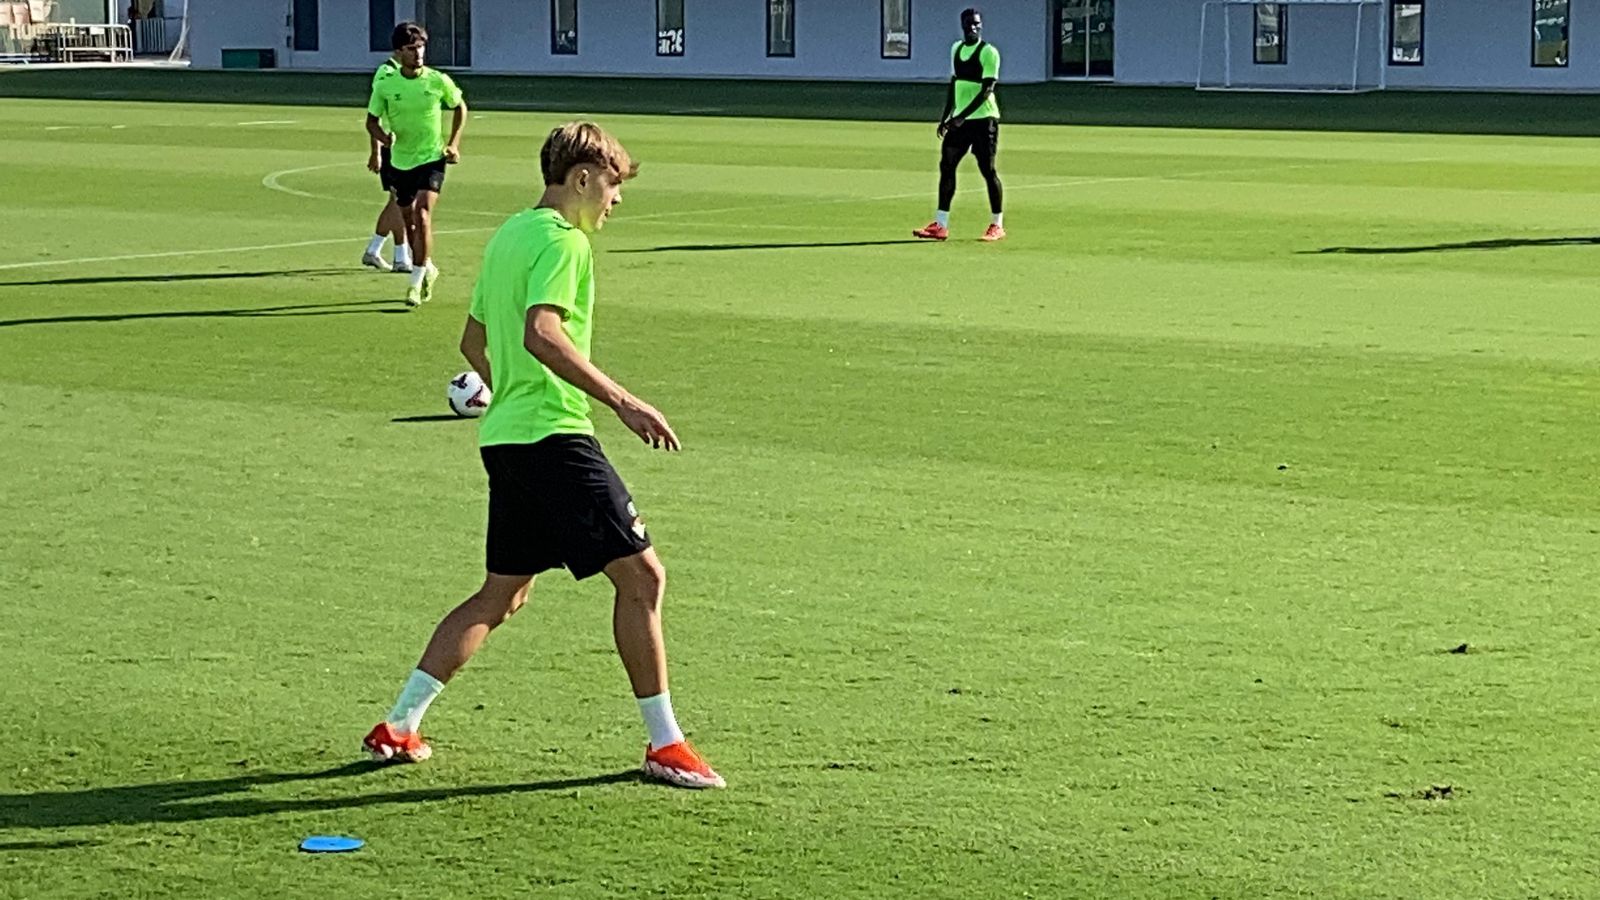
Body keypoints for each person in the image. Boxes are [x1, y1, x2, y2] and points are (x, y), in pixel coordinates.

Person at [362, 121, 725, 790]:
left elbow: (474, 341)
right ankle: (665, 745)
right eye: (614, 185)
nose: (617, 201)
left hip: (506, 440)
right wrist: (624, 401)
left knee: (503, 594)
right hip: (555, 438)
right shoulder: (564, 242)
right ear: (583, 178)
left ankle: (399, 724)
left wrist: (511, 396)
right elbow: (541, 334)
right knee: (643, 579)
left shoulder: (509, 235)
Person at [365, 21, 467, 306]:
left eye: (421, 47)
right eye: (411, 48)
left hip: (431, 158)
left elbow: (459, 106)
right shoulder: (386, 84)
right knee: (409, 223)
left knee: (422, 215)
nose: (418, 53)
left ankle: (415, 281)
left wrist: (453, 143)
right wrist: (383, 139)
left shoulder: (437, 80)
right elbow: (371, 121)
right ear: (399, 52)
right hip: (400, 161)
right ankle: (428, 268)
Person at [913, 7, 1005, 243]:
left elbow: (986, 91)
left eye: (977, 24)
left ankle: (997, 224)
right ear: (962, 26)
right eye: (969, 24)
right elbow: (954, 85)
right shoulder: (956, 49)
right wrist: (946, 116)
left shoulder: (989, 53)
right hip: (959, 121)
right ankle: (940, 224)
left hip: (984, 121)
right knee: (947, 165)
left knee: (988, 170)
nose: (973, 28)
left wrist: (962, 116)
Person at [362, 53, 412, 274]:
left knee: (398, 201)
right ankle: (400, 256)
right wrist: (376, 151)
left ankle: (376, 250)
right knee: (401, 201)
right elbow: (376, 114)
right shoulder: (386, 73)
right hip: (393, 147)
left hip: (406, 147)